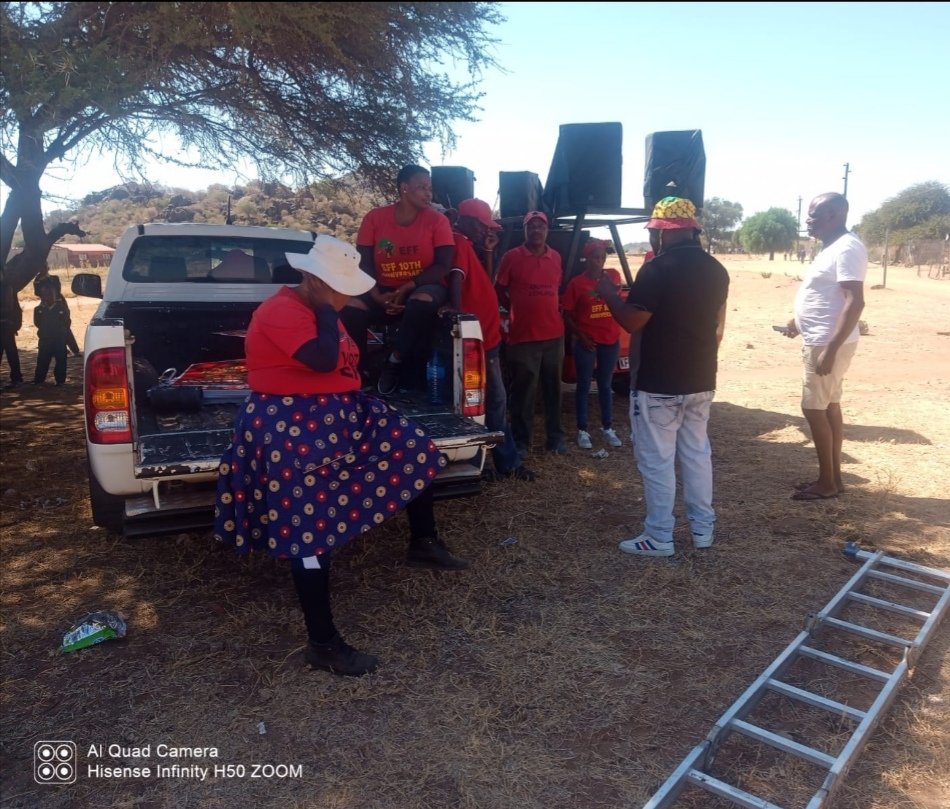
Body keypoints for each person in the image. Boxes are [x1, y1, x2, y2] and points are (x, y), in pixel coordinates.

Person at [213, 235, 469, 679]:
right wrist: (329, 311)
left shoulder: (320, 307)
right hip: (290, 423)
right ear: (311, 279)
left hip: (339, 412)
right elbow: (321, 358)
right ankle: (323, 644)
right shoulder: (282, 310)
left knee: (414, 450)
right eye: (337, 287)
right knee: (307, 531)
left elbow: (346, 362)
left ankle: (423, 542)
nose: (345, 296)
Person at [597, 197, 729, 557]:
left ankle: (658, 537)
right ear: (692, 229)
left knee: (657, 460)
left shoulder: (657, 269)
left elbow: (632, 321)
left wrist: (609, 292)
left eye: (655, 232)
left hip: (659, 382)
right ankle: (703, 531)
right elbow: (719, 328)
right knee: (697, 455)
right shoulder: (717, 269)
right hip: (701, 377)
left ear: (662, 233)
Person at [443, 198, 536, 482]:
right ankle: (503, 462)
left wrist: (488, 251)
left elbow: (479, 280)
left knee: (490, 402)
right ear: (468, 221)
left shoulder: (468, 245)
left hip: (488, 339)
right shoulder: (458, 242)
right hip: (478, 341)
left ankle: (495, 462)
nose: (487, 231)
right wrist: (458, 316)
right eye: (484, 226)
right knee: (493, 401)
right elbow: (457, 278)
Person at [341, 164, 455, 394]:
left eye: (429, 188)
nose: (428, 193)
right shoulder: (375, 218)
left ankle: (395, 361)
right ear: (404, 188)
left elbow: (443, 265)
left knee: (420, 302)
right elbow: (364, 262)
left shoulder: (437, 221)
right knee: (348, 306)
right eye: (421, 187)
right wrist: (376, 295)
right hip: (381, 288)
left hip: (422, 286)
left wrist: (407, 286)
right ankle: (359, 372)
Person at [782, 192, 867, 501]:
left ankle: (827, 482)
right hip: (820, 337)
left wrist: (831, 348)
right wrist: (797, 322)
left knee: (813, 408)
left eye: (814, 215)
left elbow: (855, 301)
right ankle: (834, 478)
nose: (808, 220)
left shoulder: (847, 247)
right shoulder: (830, 247)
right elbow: (823, 294)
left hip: (826, 342)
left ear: (833, 215)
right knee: (829, 406)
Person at [495, 211, 567, 456]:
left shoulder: (556, 257)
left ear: (547, 230)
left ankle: (555, 438)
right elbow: (499, 289)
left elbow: (556, 289)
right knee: (523, 392)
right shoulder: (511, 257)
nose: (537, 230)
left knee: (553, 390)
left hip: (554, 336)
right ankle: (522, 442)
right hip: (523, 336)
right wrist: (517, 304)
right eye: (531, 226)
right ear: (524, 230)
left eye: (541, 226)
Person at [561, 238, 623, 449]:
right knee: (584, 386)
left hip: (610, 340)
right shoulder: (577, 283)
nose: (600, 261)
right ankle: (583, 430)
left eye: (603, 257)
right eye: (596, 257)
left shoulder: (612, 278)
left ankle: (607, 427)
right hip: (587, 342)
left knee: (605, 386)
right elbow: (567, 314)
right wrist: (581, 336)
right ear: (587, 259)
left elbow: (619, 303)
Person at [33, 267, 82, 357]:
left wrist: (44, 279)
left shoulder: (54, 278)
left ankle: (75, 349)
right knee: (50, 326)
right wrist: (38, 280)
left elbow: (57, 290)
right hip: (45, 304)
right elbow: (37, 293)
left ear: (47, 268)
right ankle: (61, 348)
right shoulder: (38, 281)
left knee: (65, 326)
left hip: (59, 303)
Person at [32, 277, 72, 386]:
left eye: (51, 294)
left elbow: (67, 322)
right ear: (42, 296)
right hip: (45, 340)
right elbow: (37, 323)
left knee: (61, 361)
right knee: (42, 361)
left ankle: (60, 380)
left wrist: (61, 332)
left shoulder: (62, 309)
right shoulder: (38, 310)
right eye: (45, 294)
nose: (48, 297)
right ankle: (39, 380)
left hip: (59, 339)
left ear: (55, 295)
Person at [0, 273, 24, 389]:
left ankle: (16, 377)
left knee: (11, 353)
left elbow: (12, 308)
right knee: (11, 353)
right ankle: (16, 377)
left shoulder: (7, 288)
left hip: (6, 326)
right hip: (6, 325)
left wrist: (15, 325)